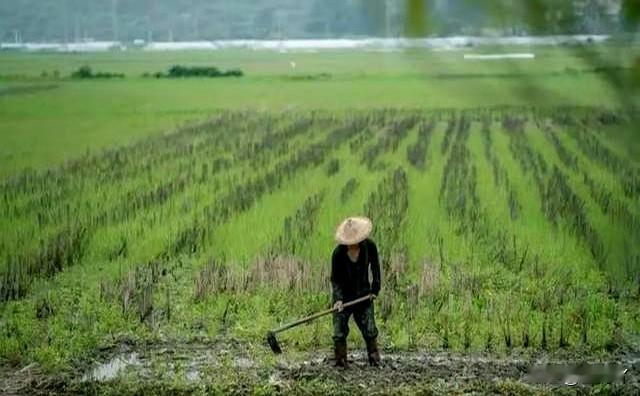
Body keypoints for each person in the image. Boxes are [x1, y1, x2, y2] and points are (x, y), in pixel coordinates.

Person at [331, 216, 381, 367]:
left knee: (370, 329)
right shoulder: (338, 254)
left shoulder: (369, 247)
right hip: (344, 298)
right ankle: (340, 361)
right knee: (339, 332)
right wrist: (338, 299)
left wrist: (375, 289)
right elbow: (335, 280)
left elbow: (375, 269)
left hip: (363, 295)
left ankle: (374, 358)